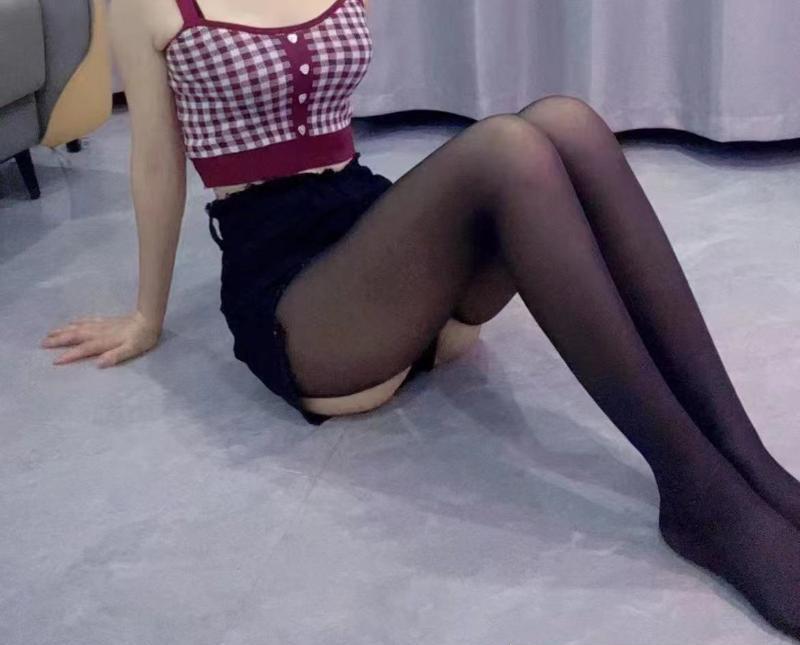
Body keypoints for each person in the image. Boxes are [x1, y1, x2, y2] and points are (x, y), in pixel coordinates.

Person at [40, 0, 799, 638]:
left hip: (385, 250)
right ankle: (702, 497)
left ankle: (745, 457)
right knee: (507, 149)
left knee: (567, 122)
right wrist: (147, 314)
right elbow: (155, 160)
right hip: (303, 300)